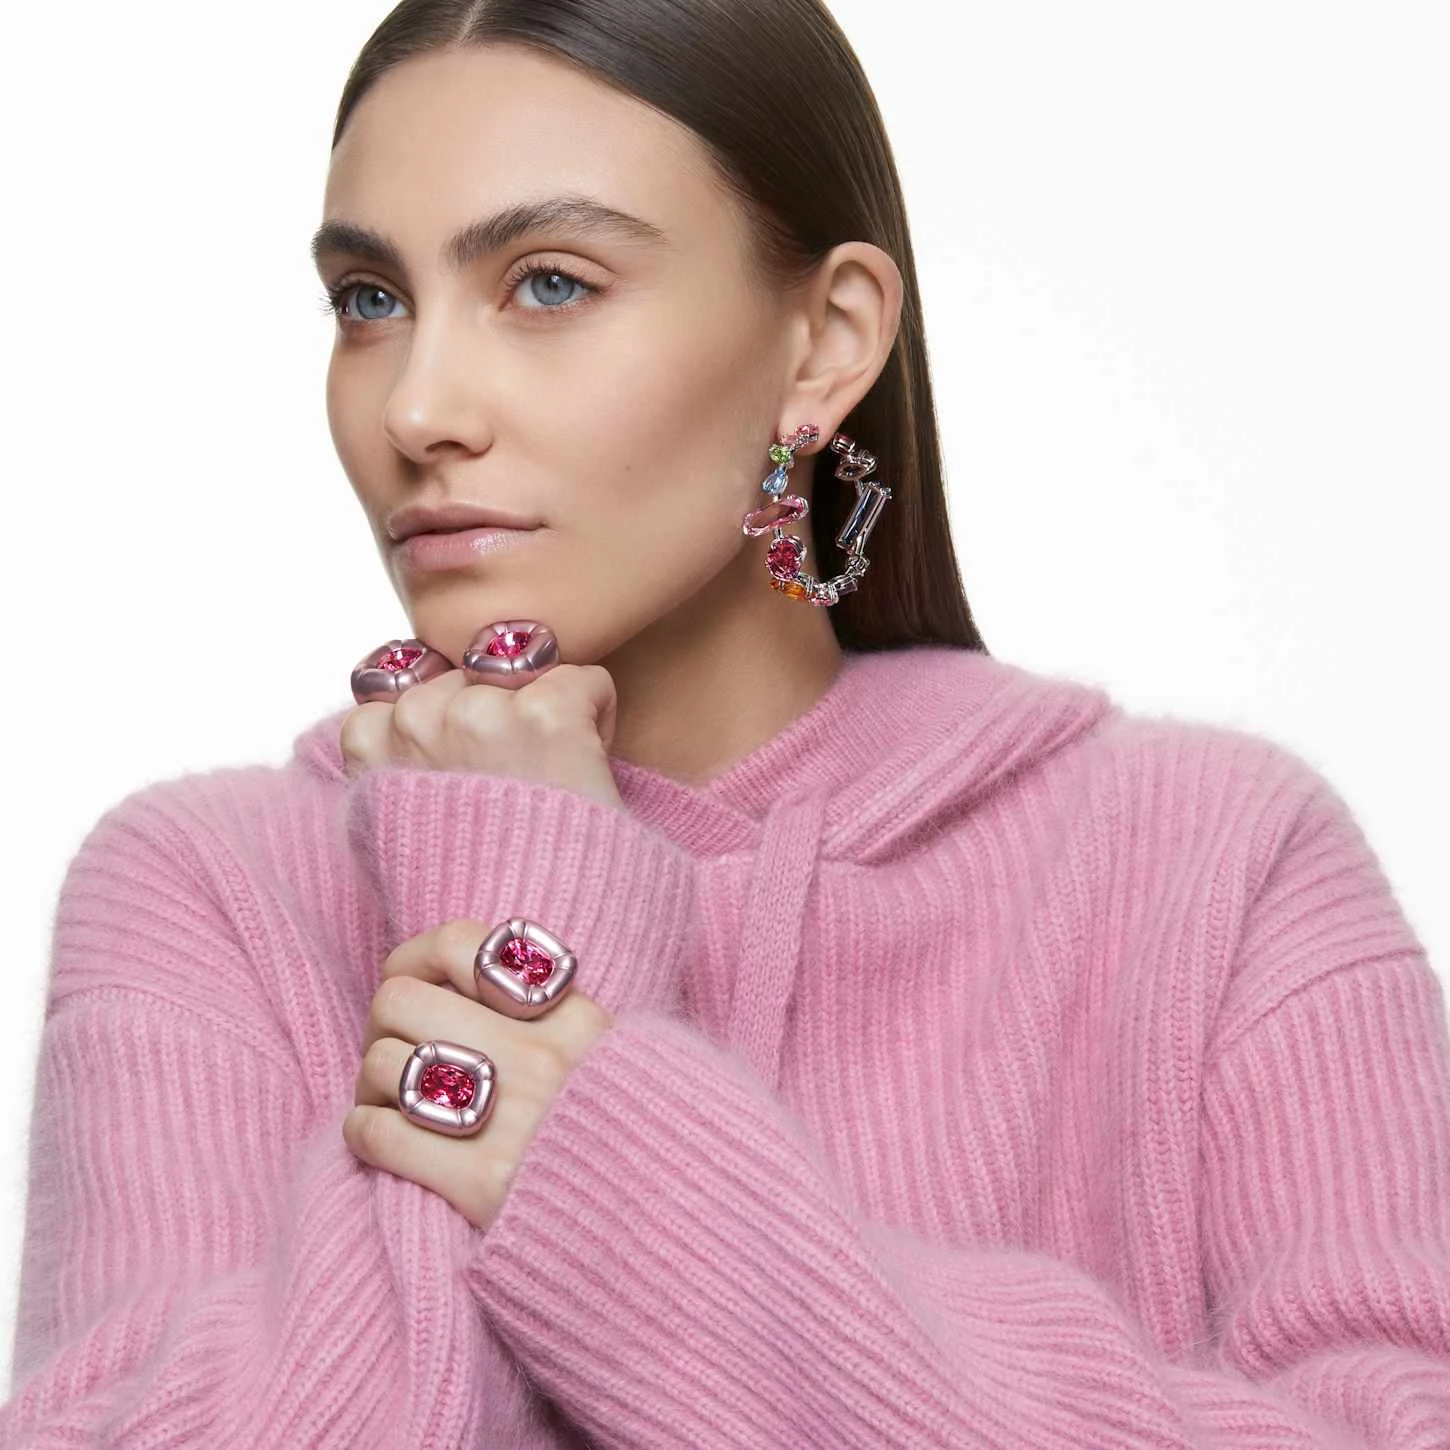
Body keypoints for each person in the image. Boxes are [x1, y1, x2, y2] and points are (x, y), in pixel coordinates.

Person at [5, 0, 1448, 1445]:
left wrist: (647, 1208)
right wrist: (516, 874)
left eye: (549, 283)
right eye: (370, 301)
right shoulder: (207, 886)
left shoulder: (1212, 860)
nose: (419, 407)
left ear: (825, 342)